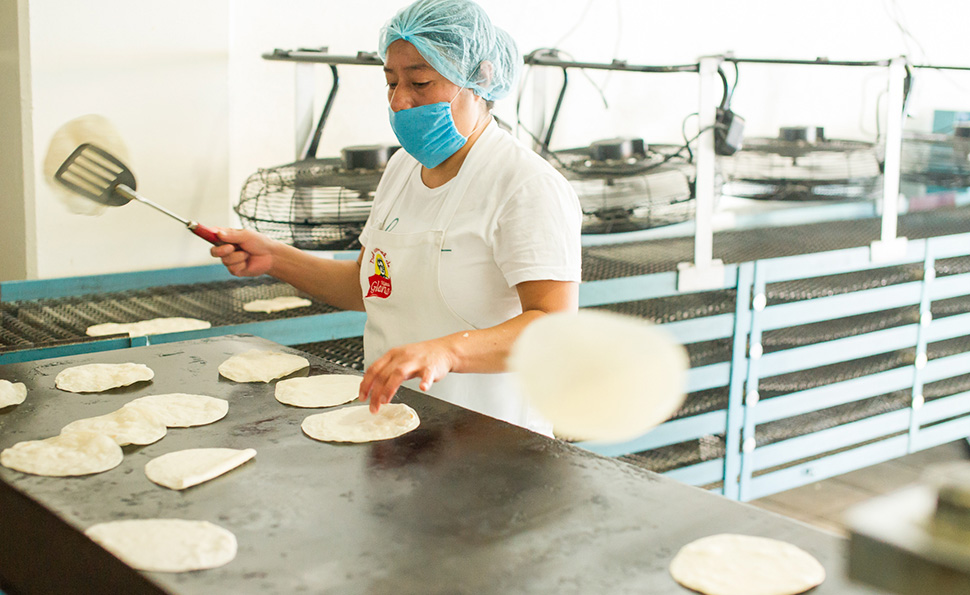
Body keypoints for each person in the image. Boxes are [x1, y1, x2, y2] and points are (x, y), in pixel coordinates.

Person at [211, 0, 581, 436]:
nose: (400, 100)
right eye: (390, 81)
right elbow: (367, 285)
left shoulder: (523, 184)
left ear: (479, 80)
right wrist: (274, 257)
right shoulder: (402, 169)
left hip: (493, 442)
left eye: (420, 82)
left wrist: (448, 353)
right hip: (393, 429)